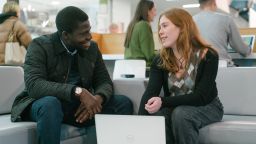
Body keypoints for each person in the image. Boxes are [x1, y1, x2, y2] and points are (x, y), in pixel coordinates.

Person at [11, 6, 133, 144]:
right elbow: (35, 85)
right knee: (51, 104)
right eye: (83, 33)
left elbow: (104, 81)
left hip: (75, 107)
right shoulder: (40, 46)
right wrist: (78, 92)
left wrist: (98, 98)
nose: (90, 36)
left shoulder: (92, 48)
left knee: (123, 103)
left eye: (89, 30)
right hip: (42, 104)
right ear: (65, 35)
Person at [138, 8, 224, 144]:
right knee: (159, 116)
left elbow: (200, 97)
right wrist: (140, 122)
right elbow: (150, 94)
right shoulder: (160, 60)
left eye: (165, 26)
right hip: (176, 107)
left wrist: (163, 102)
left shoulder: (208, 55)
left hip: (208, 106)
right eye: (159, 27)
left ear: (182, 27)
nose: (160, 32)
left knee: (181, 114)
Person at [193, 0, 251, 66]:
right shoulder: (226, 19)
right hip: (221, 65)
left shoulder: (191, 20)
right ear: (214, 3)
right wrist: (249, 49)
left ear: (200, 5)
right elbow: (242, 50)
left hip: (198, 66)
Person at [124, 0, 157, 68]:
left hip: (130, 68)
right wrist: (164, 54)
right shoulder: (144, 25)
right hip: (143, 68)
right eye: (154, 10)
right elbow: (149, 55)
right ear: (148, 11)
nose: (155, 13)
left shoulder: (133, 25)